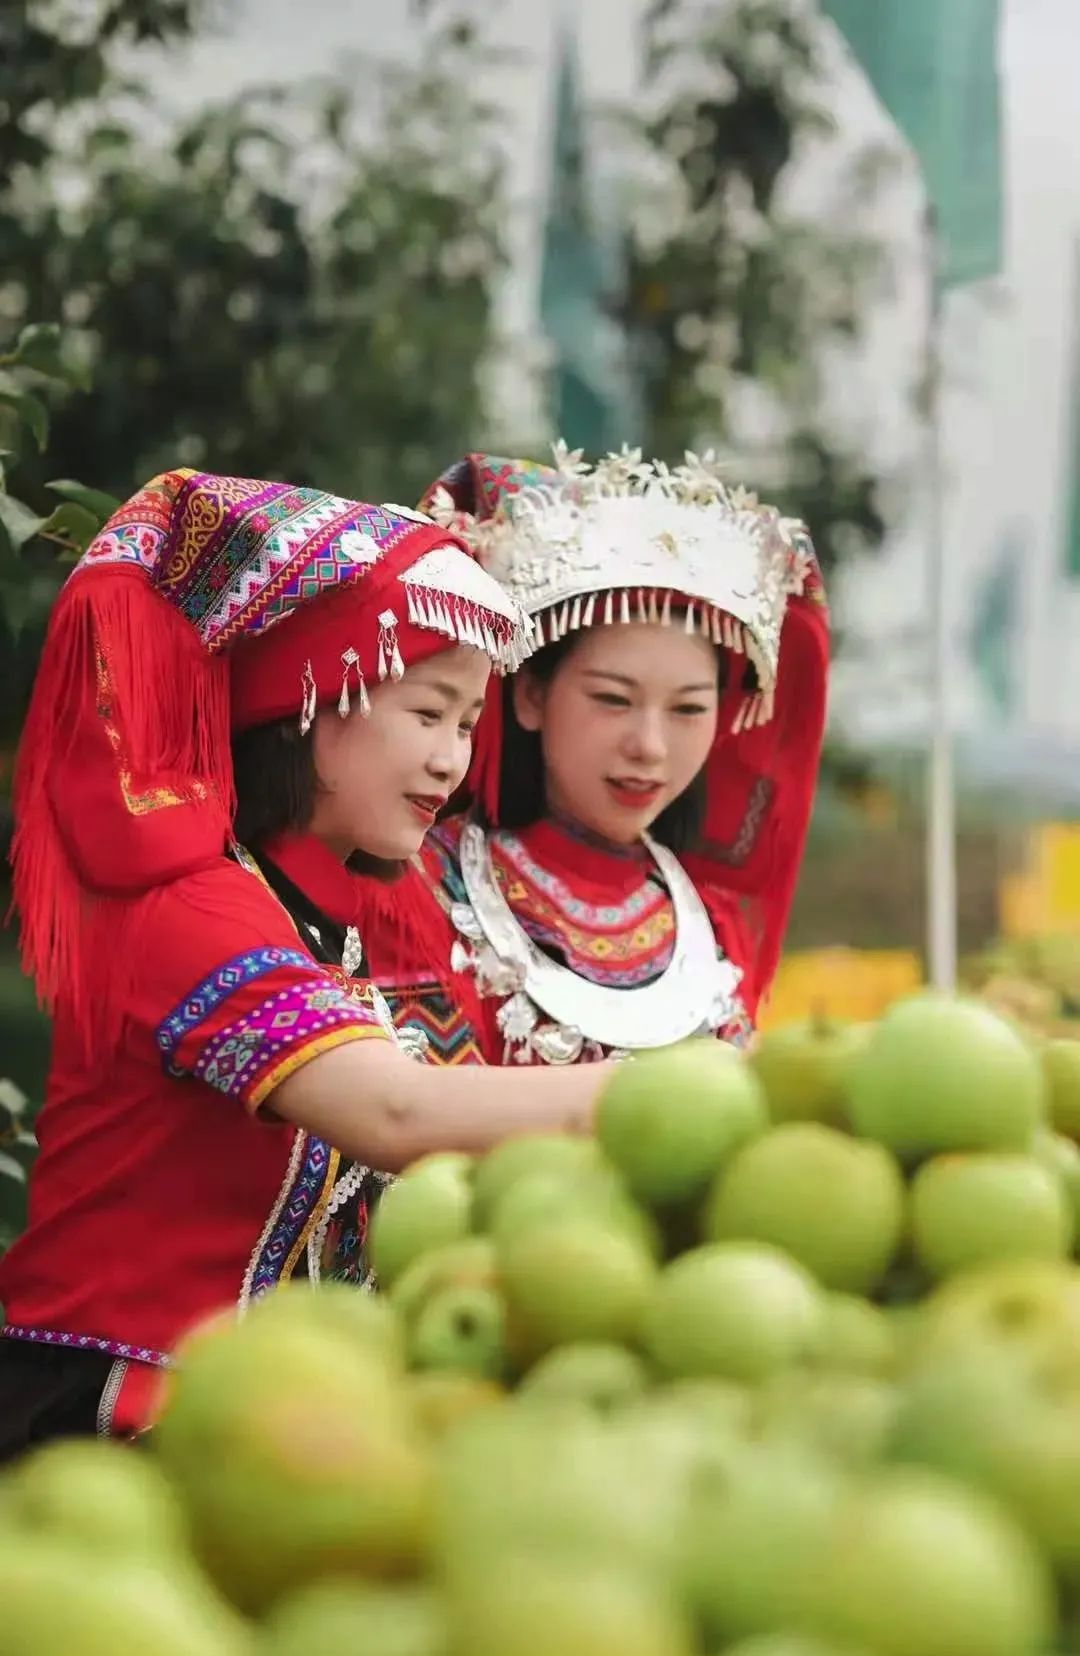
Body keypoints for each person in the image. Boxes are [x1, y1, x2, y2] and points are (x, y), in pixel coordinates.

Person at [0, 467, 608, 1455]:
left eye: (465, 723)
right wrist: (675, 1090)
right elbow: (394, 1110)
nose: (455, 760)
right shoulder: (190, 911)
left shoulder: (350, 917)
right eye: (426, 714)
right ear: (311, 694)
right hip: (108, 1417)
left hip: (258, 1413)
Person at [364, 447, 830, 1067]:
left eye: (689, 709)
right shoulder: (416, 892)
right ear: (530, 695)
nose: (650, 746)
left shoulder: (712, 927)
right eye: (613, 699)